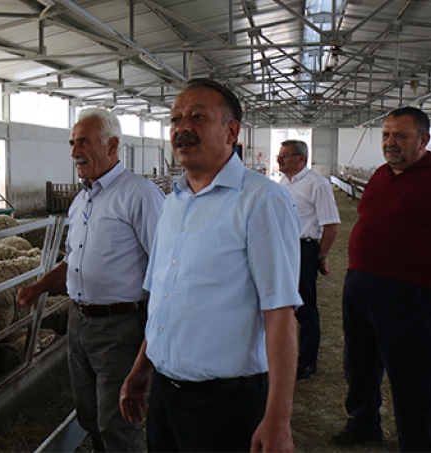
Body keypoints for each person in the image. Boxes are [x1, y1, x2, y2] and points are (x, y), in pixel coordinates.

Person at [119, 78, 302, 453]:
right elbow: (163, 301)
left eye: (198, 117)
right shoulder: (174, 202)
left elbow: (280, 312)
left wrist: (279, 418)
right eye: (175, 119)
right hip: (166, 394)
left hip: (225, 404)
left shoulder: (261, 201)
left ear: (231, 131)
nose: (182, 127)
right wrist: (141, 370)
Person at [16, 108, 165, 452]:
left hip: (120, 325)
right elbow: (74, 259)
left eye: (84, 141)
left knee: (116, 421)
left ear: (113, 145)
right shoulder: (82, 199)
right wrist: (40, 287)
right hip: (79, 322)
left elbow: (164, 269)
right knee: (89, 414)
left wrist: (151, 339)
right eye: (72, 142)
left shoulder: (139, 195)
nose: (74, 151)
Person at [329, 106, 431, 451]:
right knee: (359, 363)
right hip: (360, 283)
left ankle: (418, 440)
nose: (391, 142)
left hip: (411, 290)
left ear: (423, 139)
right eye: (386, 135)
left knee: (412, 372)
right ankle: (363, 423)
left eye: (400, 136)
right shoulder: (379, 174)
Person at [277, 139, 340, 381]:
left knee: (305, 307)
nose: (280, 160)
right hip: (285, 248)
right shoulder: (285, 182)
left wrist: (321, 256)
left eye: (285, 155)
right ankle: (289, 353)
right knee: (285, 303)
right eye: (280, 155)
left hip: (304, 249)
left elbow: (331, 224)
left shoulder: (317, 184)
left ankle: (307, 361)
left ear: (301, 158)